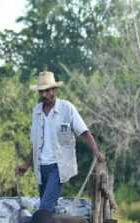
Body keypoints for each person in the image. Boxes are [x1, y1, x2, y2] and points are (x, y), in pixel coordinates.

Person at [16, 71, 105, 212]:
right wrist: (26, 165)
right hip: (41, 167)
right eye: (41, 92)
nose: (44, 95)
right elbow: (36, 144)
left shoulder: (66, 108)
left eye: (47, 91)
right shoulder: (36, 112)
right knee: (47, 208)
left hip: (58, 167)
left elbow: (84, 132)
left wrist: (96, 152)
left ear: (55, 90)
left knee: (44, 208)